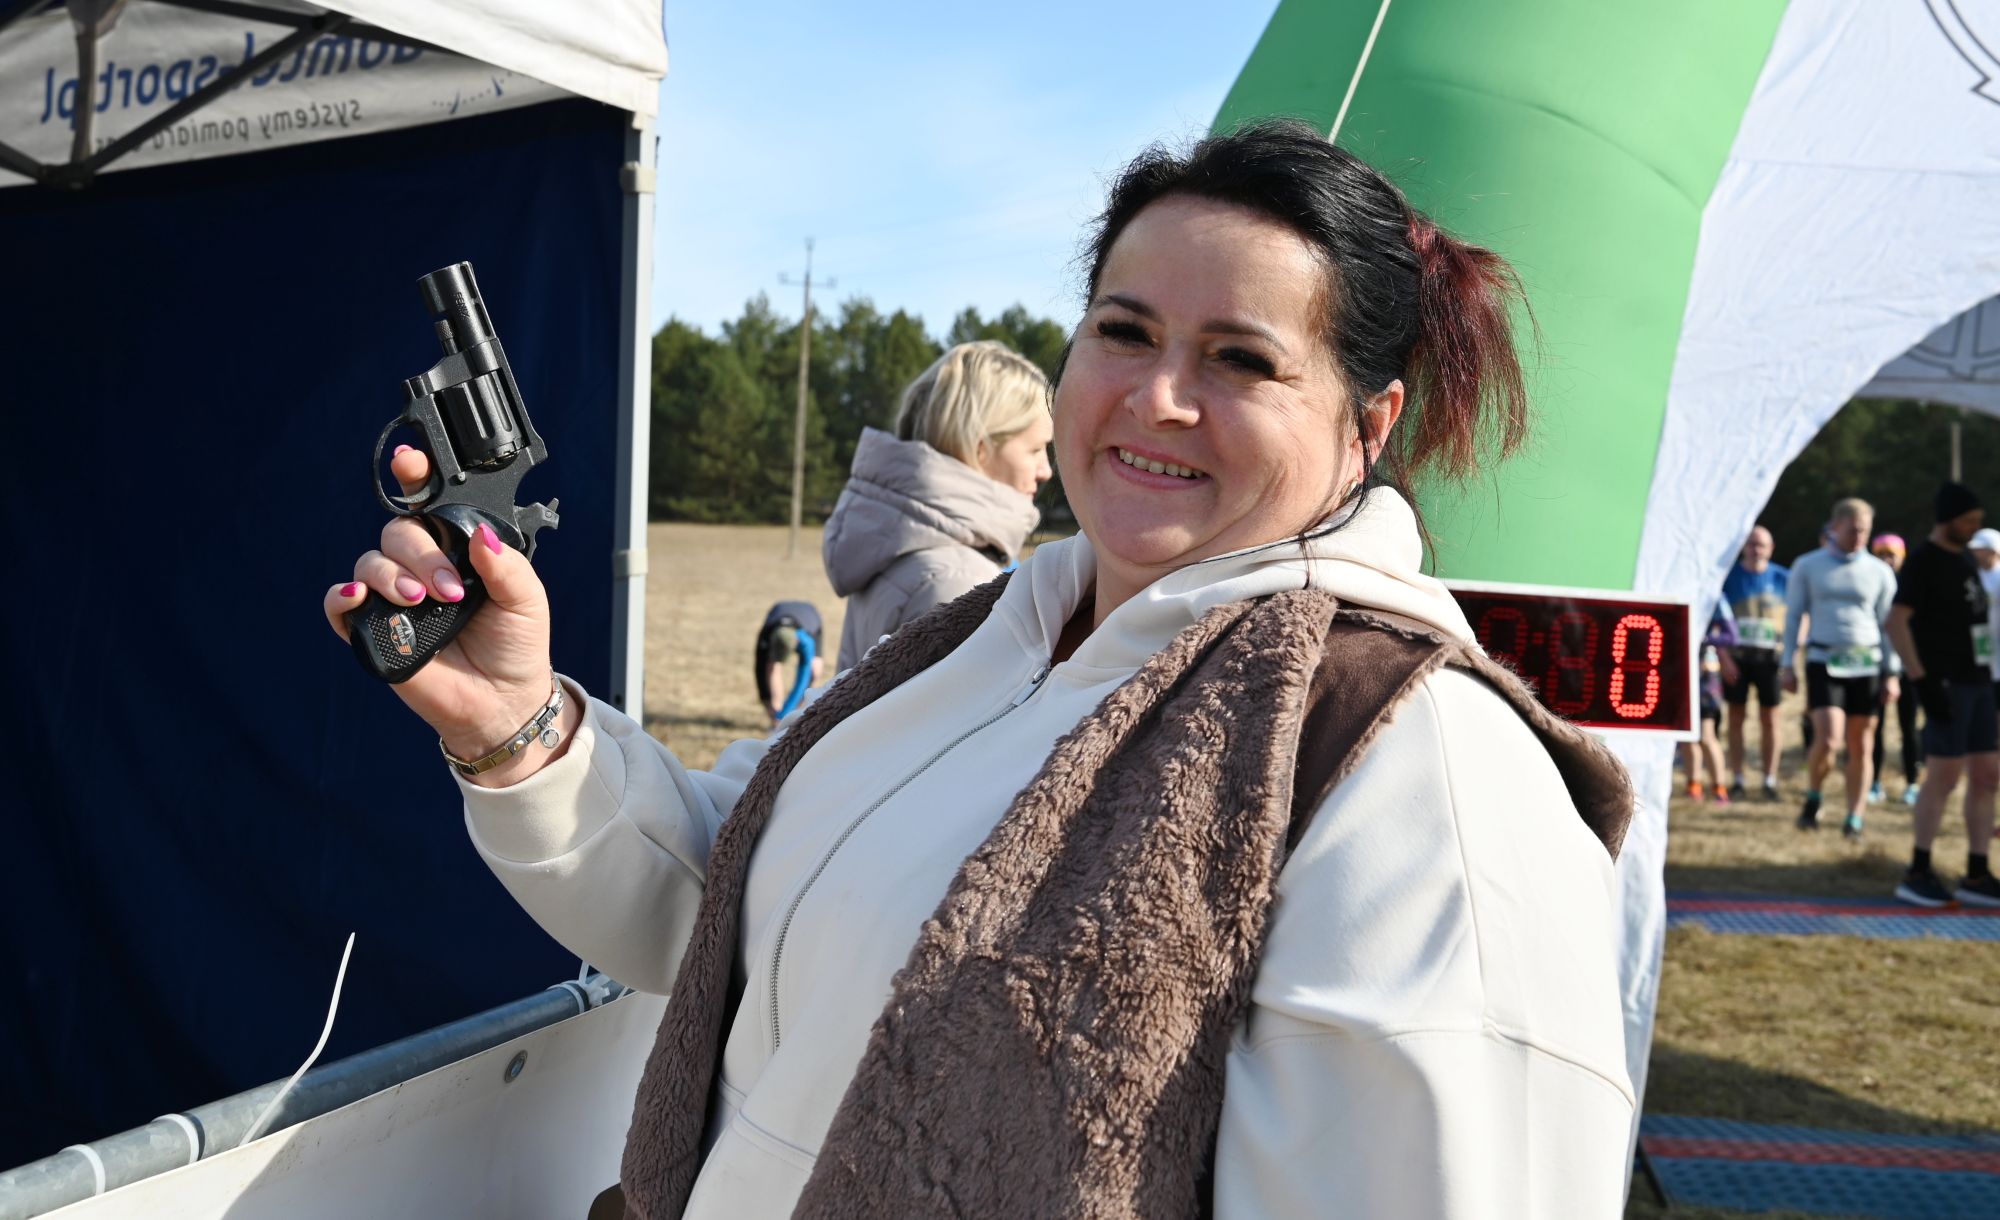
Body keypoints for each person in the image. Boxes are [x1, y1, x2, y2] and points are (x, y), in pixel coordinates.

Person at [323, 121, 1638, 1216]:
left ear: (1369, 424)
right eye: (1124, 331)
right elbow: (725, 901)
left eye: (1240, 359)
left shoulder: (1422, 774)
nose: (1159, 396)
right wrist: (522, 727)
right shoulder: (975, 635)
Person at [821, 341, 1051, 669]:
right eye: (1035, 450)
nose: (1045, 470)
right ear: (981, 448)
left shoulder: (899, 544)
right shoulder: (957, 581)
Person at [1885, 483, 2000, 908]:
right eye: (1967, 520)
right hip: (1945, 682)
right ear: (1947, 519)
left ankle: (1977, 871)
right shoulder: (1923, 562)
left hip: (1979, 680)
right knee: (1944, 776)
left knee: (1987, 775)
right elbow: (1896, 622)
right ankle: (1917, 870)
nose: (1973, 527)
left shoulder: (1966, 559)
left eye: (1977, 521)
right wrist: (1922, 680)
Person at [1781, 498, 1900, 837]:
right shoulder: (1808, 565)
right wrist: (1788, 663)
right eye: (1853, 530)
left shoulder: (1879, 571)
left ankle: (1854, 818)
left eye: (1865, 531)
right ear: (1835, 527)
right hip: (1824, 660)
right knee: (1830, 739)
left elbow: (1889, 624)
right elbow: (1793, 616)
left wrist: (1892, 672)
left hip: (1867, 662)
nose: (1859, 537)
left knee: (1862, 743)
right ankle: (1814, 796)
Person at [1722, 525, 1788, 800]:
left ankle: (1769, 780)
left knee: (1770, 719)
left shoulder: (1784, 577)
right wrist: (1724, 658)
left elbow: (1800, 614)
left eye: (1761, 545)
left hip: (1770, 659)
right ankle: (1737, 779)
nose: (1756, 550)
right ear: (1743, 547)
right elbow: (1714, 619)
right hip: (1737, 658)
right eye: (1751, 544)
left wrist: (1790, 650)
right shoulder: (1728, 576)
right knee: (1736, 717)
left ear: (1771, 549)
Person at [1868, 533, 1924, 805]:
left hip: (1907, 667)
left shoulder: (1913, 586)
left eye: (1892, 555)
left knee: (1908, 727)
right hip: (1875, 665)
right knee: (1874, 727)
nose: (1887, 560)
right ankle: (1873, 782)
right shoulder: (1869, 583)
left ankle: (1912, 782)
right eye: (1881, 555)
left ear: (1902, 558)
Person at [1686, 601, 1740, 803]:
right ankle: (1693, 786)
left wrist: (1703, 638)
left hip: (1706, 678)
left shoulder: (1716, 598)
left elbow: (1732, 636)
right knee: (1686, 736)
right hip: (1682, 667)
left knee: (1707, 735)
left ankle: (1719, 788)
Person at [755, 601, 826, 725]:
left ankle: (801, 715)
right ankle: (776, 719)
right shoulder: (767, 633)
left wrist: (789, 711)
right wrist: (767, 702)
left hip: (811, 618)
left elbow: (804, 675)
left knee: (815, 670)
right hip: (778, 613)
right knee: (771, 667)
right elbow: (759, 669)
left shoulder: (806, 640)